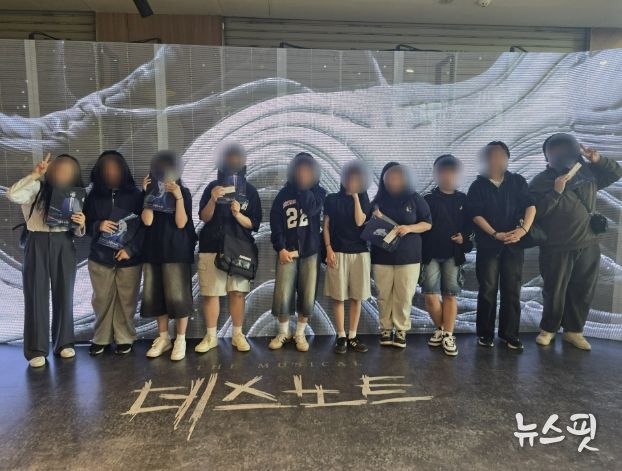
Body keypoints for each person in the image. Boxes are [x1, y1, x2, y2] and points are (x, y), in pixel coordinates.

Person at [529, 133, 622, 350]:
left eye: (566, 149)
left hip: (588, 243)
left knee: (583, 289)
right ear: (547, 157)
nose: (561, 154)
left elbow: (616, 173)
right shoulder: (541, 181)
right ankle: (548, 329)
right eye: (555, 151)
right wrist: (555, 192)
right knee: (554, 291)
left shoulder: (586, 173)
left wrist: (597, 159)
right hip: (556, 247)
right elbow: (534, 213)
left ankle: (574, 331)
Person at [6, 153, 86, 368]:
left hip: (64, 243)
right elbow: (12, 194)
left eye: (68, 171)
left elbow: (77, 231)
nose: (63, 174)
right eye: (59, 169)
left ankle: (64, 343)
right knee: (35, 294)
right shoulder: (36, 188)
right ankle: (36, 349)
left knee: (64, 294)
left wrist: (81, 222)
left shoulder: (74, 194)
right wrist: (34, 174)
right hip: (37, 242)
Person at [466, 141, 536, 351]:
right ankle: (485, 333)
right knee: (488, 289)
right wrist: (495, 234)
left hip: (514, 243)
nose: (495, 160)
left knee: (512, 289)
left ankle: (509, 334)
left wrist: (523, 231)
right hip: (489, 244)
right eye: (491, 156)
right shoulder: (478, 185)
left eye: (500, 156)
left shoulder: (517, 181)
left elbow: (531, 206)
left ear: (507, 159)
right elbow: (475, 215)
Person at [195, 143, 262, 353]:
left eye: (237, 158)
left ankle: (238, 334)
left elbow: (254, 223)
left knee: (238, 293)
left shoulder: (250, 190)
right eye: (229, 158)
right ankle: (211, 336)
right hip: (211, 245)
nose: (233, 162)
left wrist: (237, 214)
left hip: (240, 247)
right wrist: (213, 199)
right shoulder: (212, 187)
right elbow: (204, 217)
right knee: (210, 293)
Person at [83, 150, 144, 356]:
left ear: (123, 169)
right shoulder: (93, 196)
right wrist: (98, 225)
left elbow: (145, 227)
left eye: (115, 168)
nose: (111, 172)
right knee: (101, 299)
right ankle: (101, 338)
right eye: (107, 169)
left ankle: (124, 337)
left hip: (129, 258)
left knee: (127, 300)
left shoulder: (137, 195)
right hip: (100, 258)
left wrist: (130, 250)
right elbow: (82, 224)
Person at [140, 151, 197, 361]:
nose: (165, 172)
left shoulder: (184, 192)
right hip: (153, 250)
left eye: (169, 167)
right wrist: (148, 195)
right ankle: (163, 338)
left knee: (178, 297)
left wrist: (178, 196)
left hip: (176, 251)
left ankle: (180, 339)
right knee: (156, 296)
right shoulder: (150, 191)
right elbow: (147, 221)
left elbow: (181, 223)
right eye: (161, 168)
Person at [269, 152, 326, 352]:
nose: (303, 174)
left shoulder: (319, 193)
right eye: (299, 171)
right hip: (288, 251)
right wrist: (280, 247)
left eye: (307, 171)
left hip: (310, 252)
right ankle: (283, 332)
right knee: (283, 293)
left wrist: (304, 188)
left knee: (307, 294)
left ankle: (300, 333)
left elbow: (312, 209)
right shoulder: (283, 194)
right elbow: (276, 223)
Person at [371, 162, 432, 348]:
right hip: (382, 256)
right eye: (390, 177)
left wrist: (409, 228)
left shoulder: (414, 198)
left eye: (397, 177)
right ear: (384, 179)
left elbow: (427, 223)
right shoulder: (378, 200)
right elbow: (367, 225)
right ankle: (385, 329)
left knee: (404, 295)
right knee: (383, 295)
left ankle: (401, 330)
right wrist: (375, 216)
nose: (394, 180)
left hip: (408, 256)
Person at [421, 154, 473, 356]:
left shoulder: (464, 200)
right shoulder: (427, 199)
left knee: (450, 294)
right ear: (436, 174)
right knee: (430, 295)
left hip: (453, 254)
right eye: (443, 172)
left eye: (451, 172)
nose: (447, 176)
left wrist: (464, 238)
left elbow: (471, 226)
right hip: (430, 254)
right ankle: (442, 329)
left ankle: (447, 335)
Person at [323, 160, 372, 354]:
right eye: (349, 178)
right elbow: (326, 226)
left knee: (356, 296)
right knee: (338, 296)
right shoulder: (332, 199)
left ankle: (352, 335)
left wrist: (356, 197)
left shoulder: (364, 198)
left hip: (359, 253)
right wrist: (328, 248)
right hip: (338, 252)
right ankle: (341, 335)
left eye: (355, 179)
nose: (351, 181)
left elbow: (360, 222)